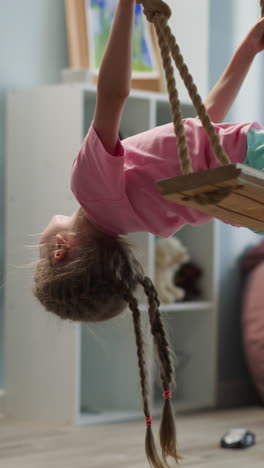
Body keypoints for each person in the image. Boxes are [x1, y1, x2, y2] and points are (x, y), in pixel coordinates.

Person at [33, 1, 264, 466]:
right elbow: (113, 94)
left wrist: (249, 48)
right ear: (61, 250)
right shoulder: (88, 187)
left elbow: (202, 124)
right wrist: (126, 11)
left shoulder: (150, 220)